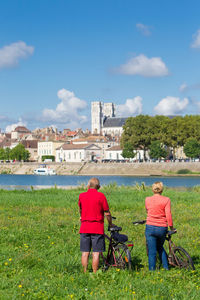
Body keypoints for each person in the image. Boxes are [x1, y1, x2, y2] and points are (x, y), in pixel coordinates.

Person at [78, 177, 113, 273]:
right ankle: (94, 273)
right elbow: (107, 213)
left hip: (84, 227)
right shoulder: (101, 196)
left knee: (85, 252)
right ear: (99, 187)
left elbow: (80, 209)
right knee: (96, 253)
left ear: (88, 186)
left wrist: (82, 216)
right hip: (97, 228)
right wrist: (110, 223)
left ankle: (85, 272)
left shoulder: (82, 195)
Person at [145, 181, 175, 271]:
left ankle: (152, 271)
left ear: (153, 189)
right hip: (162, 227)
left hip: (150, 226)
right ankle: (166, 268)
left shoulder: (147, 199)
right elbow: (168, 215)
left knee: (152, 252)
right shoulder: (166, 200)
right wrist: (171, 228)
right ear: (161, 190)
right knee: (160, 247)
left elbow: (148, 211)